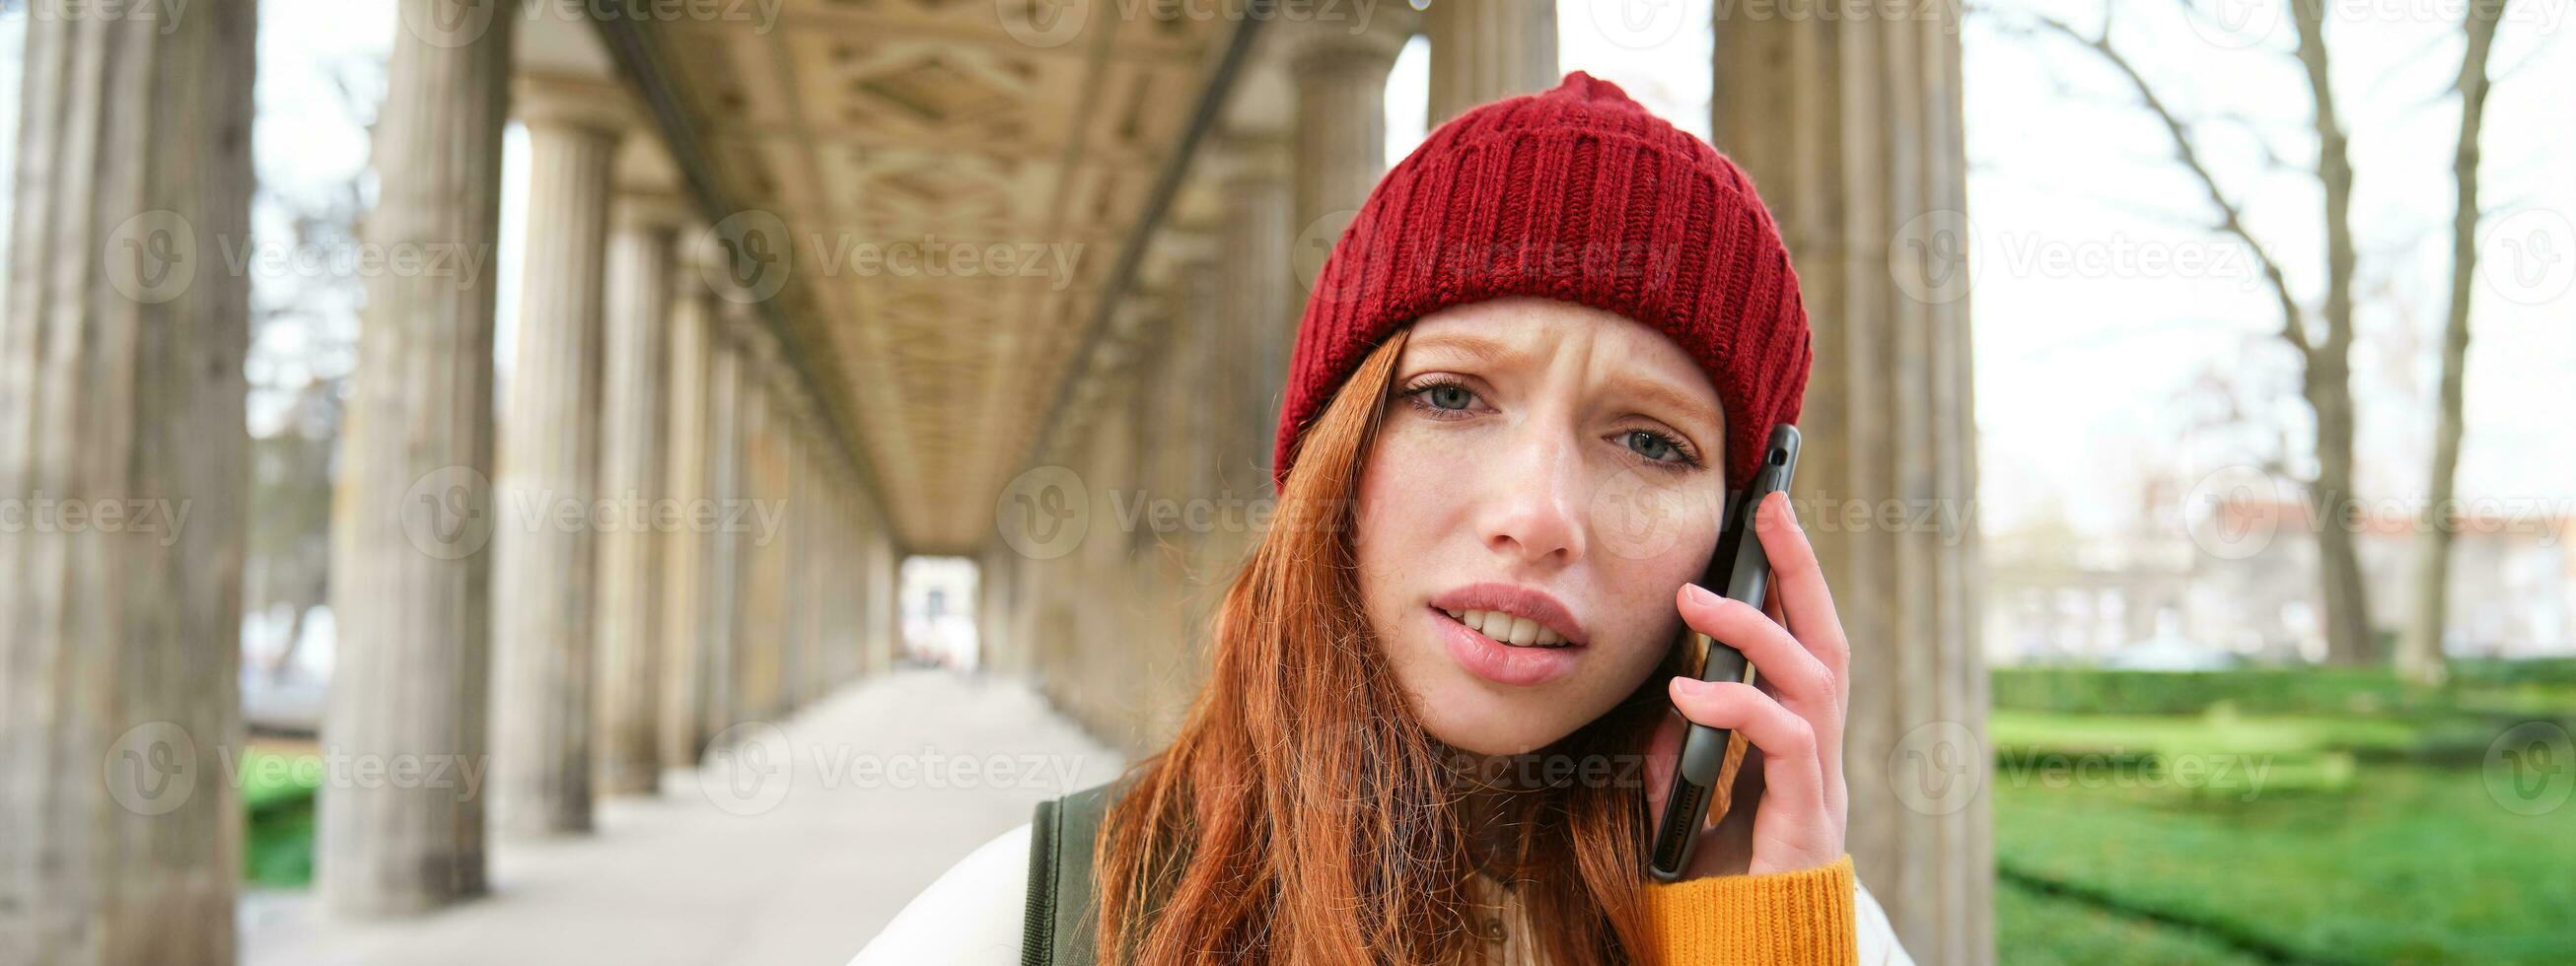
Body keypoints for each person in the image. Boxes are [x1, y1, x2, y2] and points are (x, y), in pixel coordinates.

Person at [853, 72, 1910, 965]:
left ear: (1739, 544)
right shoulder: (1021, 923)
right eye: (1449, 395)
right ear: (1331, 460)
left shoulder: (1802, 925)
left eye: (1649, 442)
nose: (1535, 515)